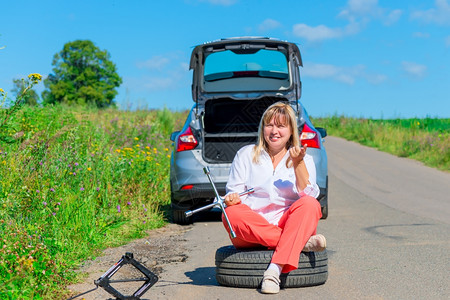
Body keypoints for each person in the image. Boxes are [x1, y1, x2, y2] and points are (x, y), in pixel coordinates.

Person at [222, 102, 326, 294]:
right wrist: (231, 199)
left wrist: (298, 164)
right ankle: (299, 243)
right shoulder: (245, 154)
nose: (274, 131)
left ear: (291, 130)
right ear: (263, 128)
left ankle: (273, 272)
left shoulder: (305, 159)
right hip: (251, 231)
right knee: (231, 213)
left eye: (281, 126)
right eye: (270, 125)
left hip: (287, 223)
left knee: (310, 204)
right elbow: (232, 192)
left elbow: (309, 194)